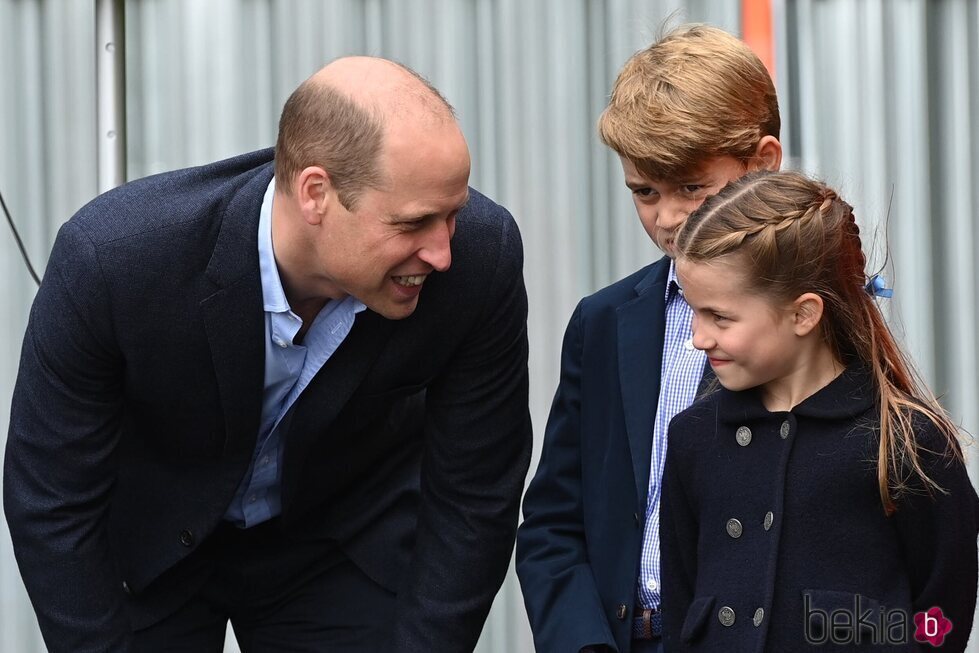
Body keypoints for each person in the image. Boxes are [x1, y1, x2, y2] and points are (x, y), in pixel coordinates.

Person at [3, 56, 532, 652]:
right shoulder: (114, 261)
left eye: (453, 215)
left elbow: (476, 490)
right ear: (316, 193)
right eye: (413, 224)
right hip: (151, 546)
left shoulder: (481, 260)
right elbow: (48, 497)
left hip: (337, 542)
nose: (441, 253)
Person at [516, 25, 782, 653]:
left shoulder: (810, 319)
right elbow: (554, 521)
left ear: (764, 163)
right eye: (645, 192)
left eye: (693, 188)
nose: (667, 217)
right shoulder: (603, 323)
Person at [661, 170, 979, 652]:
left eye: (719, 317)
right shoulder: (692, 438)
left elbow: (942, 615)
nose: (699, 338)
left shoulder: (908, 440)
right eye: (694, 312)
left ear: (803, 314)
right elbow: (681, 601)